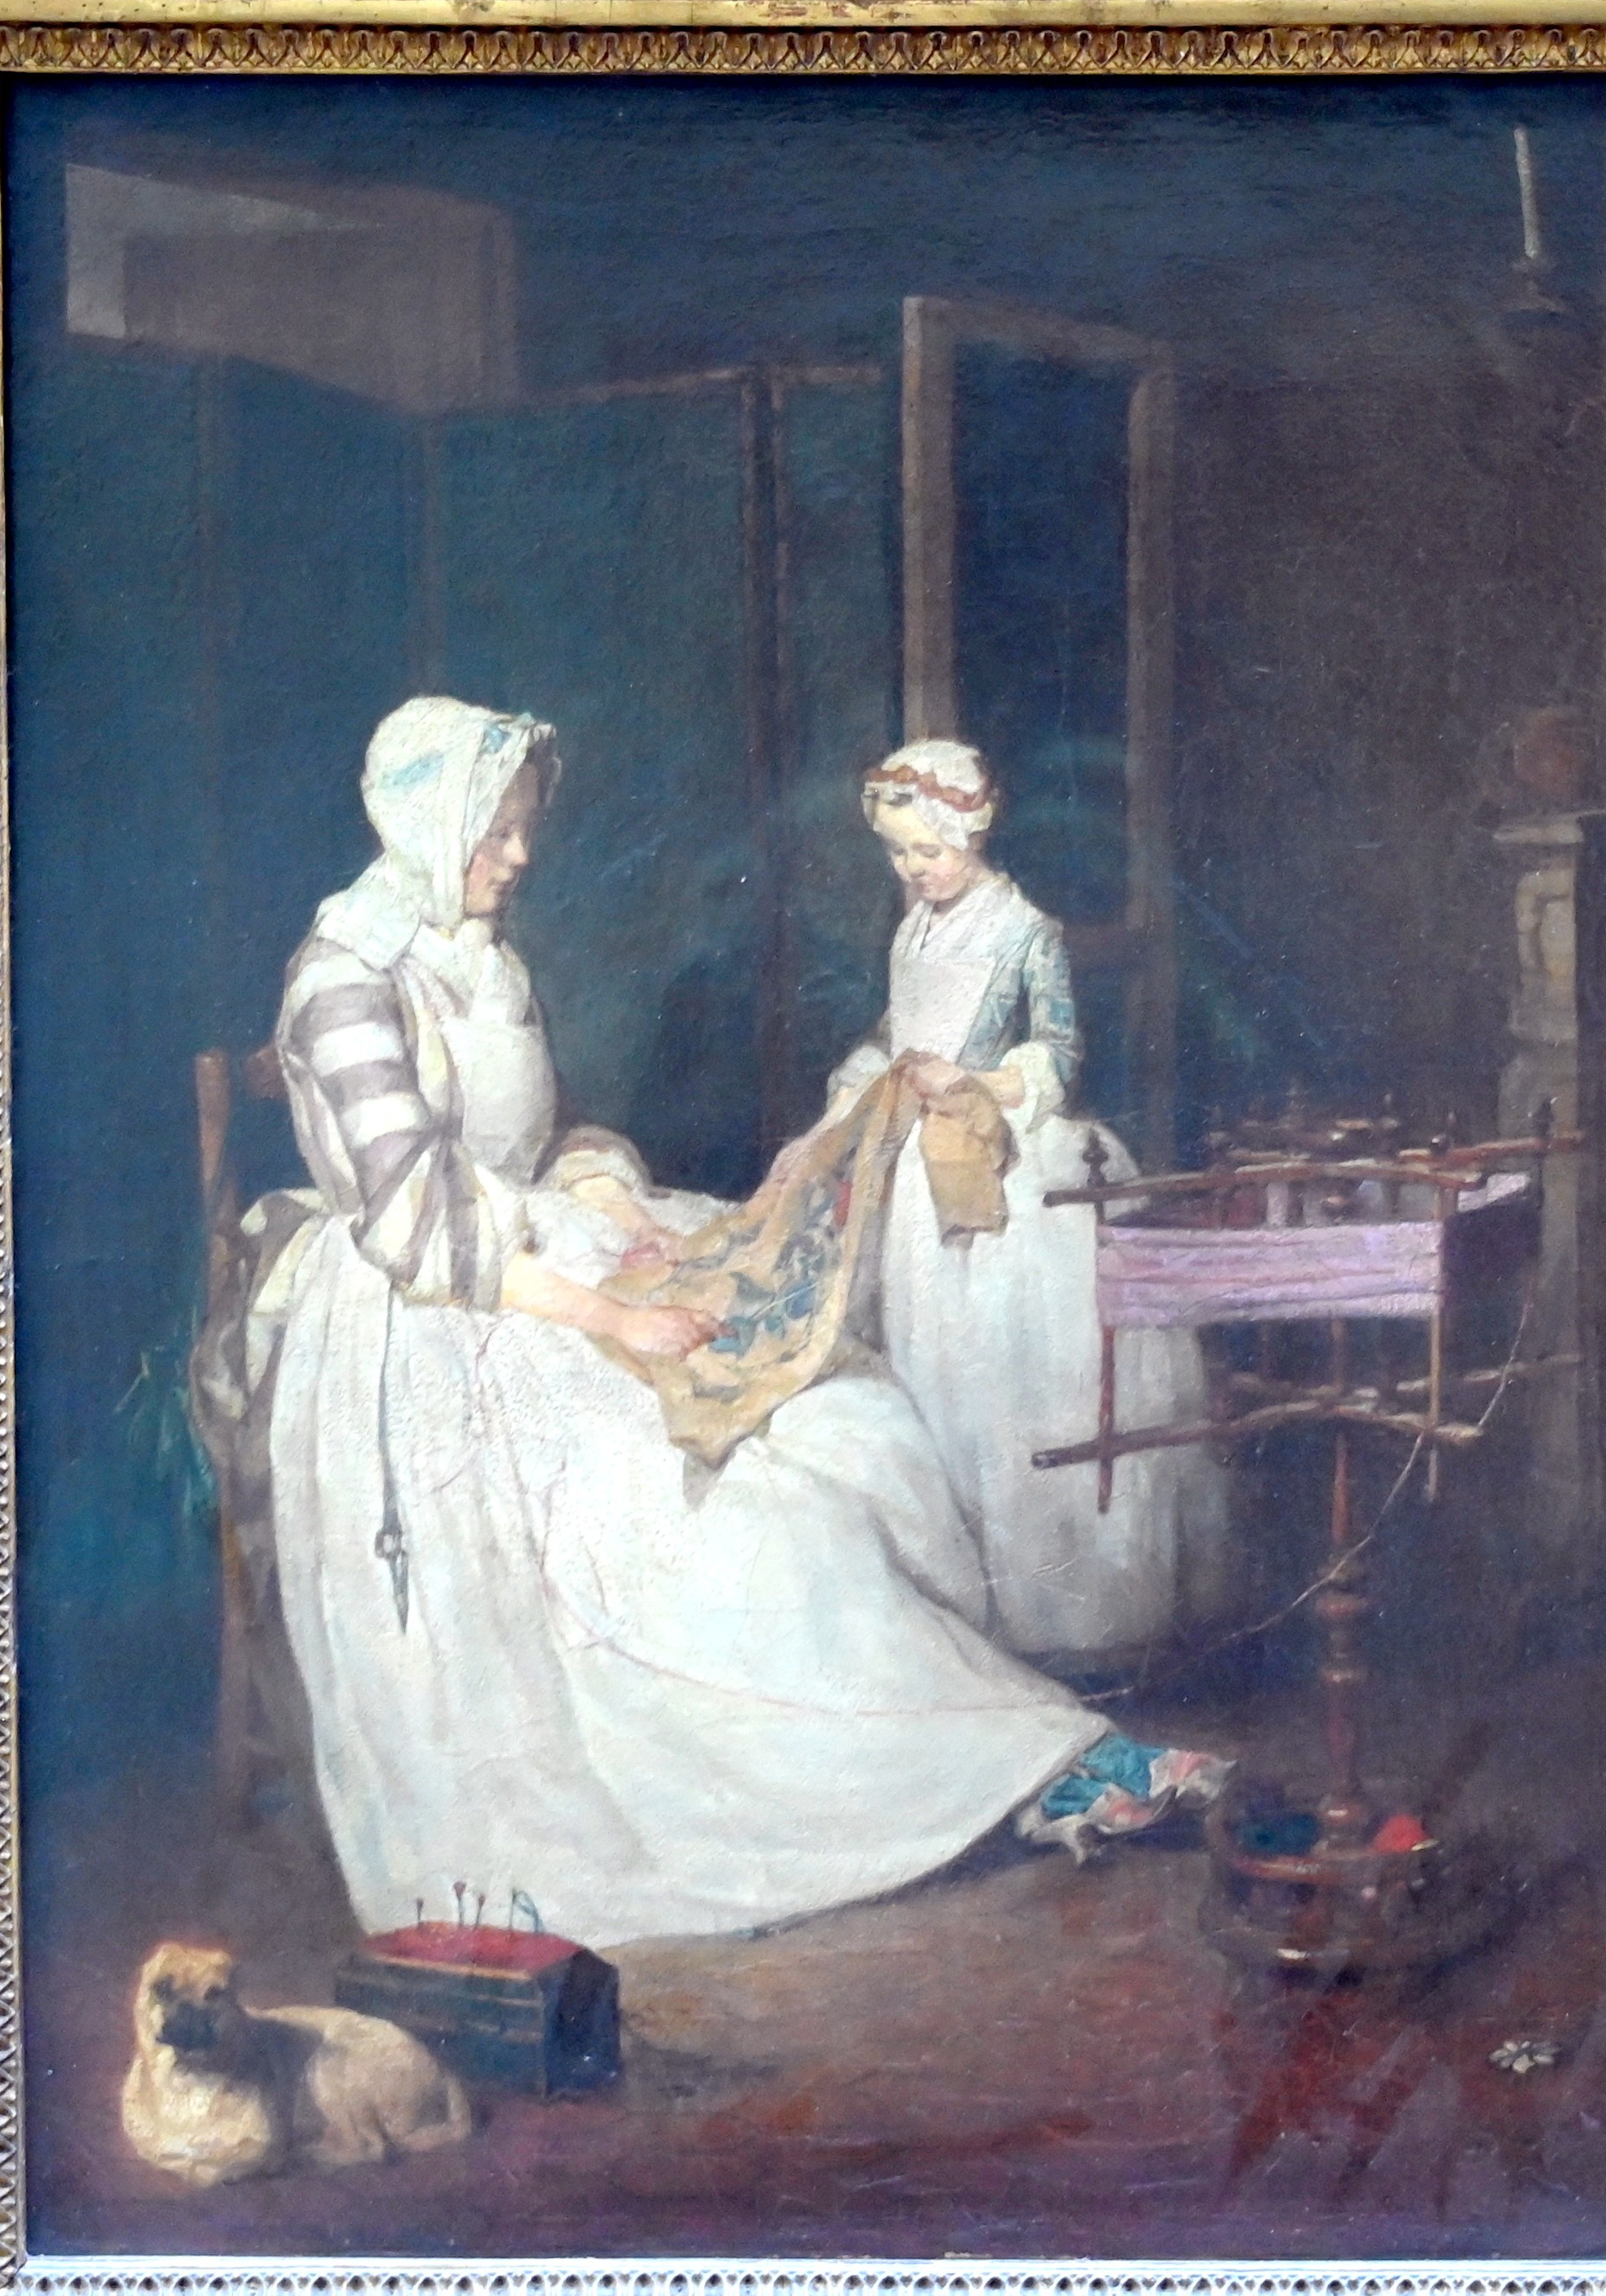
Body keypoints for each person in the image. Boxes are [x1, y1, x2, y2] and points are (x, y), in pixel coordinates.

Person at [243, 697, 1208, 1947]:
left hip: (551, 1257)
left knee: (840, 1421)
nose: (520, 857)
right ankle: (992, 1766)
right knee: (724, 1524)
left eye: (525, 829)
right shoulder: (343, 979)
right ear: (428, 823)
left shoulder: (484, 954)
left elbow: (540, 1138)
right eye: (497, 832)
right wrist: (610, 1312)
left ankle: (1006, 1750)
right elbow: (417, 1217)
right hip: (434, 1318)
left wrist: (610, 1204)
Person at [824, 739, 1232, 1666]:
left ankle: (1056, 1617)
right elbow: (897, 1026)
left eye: (928, 850)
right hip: (915, 1171)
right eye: (898, 852)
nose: (914, 868)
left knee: (1007, 1386)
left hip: (1003, 1170)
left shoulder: (1023, 929)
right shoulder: (912, 930)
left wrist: (976, 1083)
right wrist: (865, 1085)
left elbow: (1056, 1051)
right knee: (929, 1372)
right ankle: (958, 1614)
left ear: (970, 831)